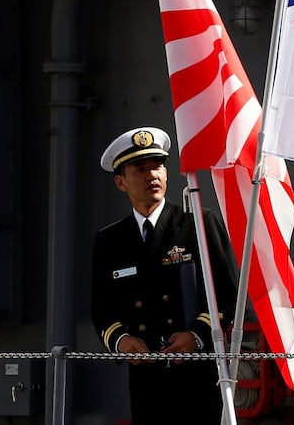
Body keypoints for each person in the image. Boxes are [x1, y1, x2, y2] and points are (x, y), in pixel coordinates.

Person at [91, 126, 239, 425]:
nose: (152, 175)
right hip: (146, 378)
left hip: (198, 372)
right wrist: (121, 340)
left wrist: (197, 335)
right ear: (121, 182)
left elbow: (229, 292)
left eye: (158, 166)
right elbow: (102, 307)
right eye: (140, 169)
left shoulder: (198, 222)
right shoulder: (110, 240)